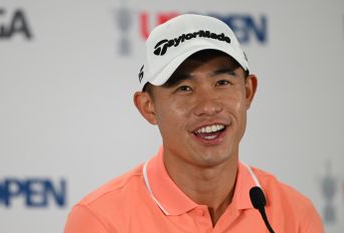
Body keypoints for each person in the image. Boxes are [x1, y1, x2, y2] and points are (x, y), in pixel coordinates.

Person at [64, 14, 324, 233]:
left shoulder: (295, 215)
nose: (208, 106)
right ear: (148, 107)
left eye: (222, 83)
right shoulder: (101, 220)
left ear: (248, 91)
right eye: (184, 88)